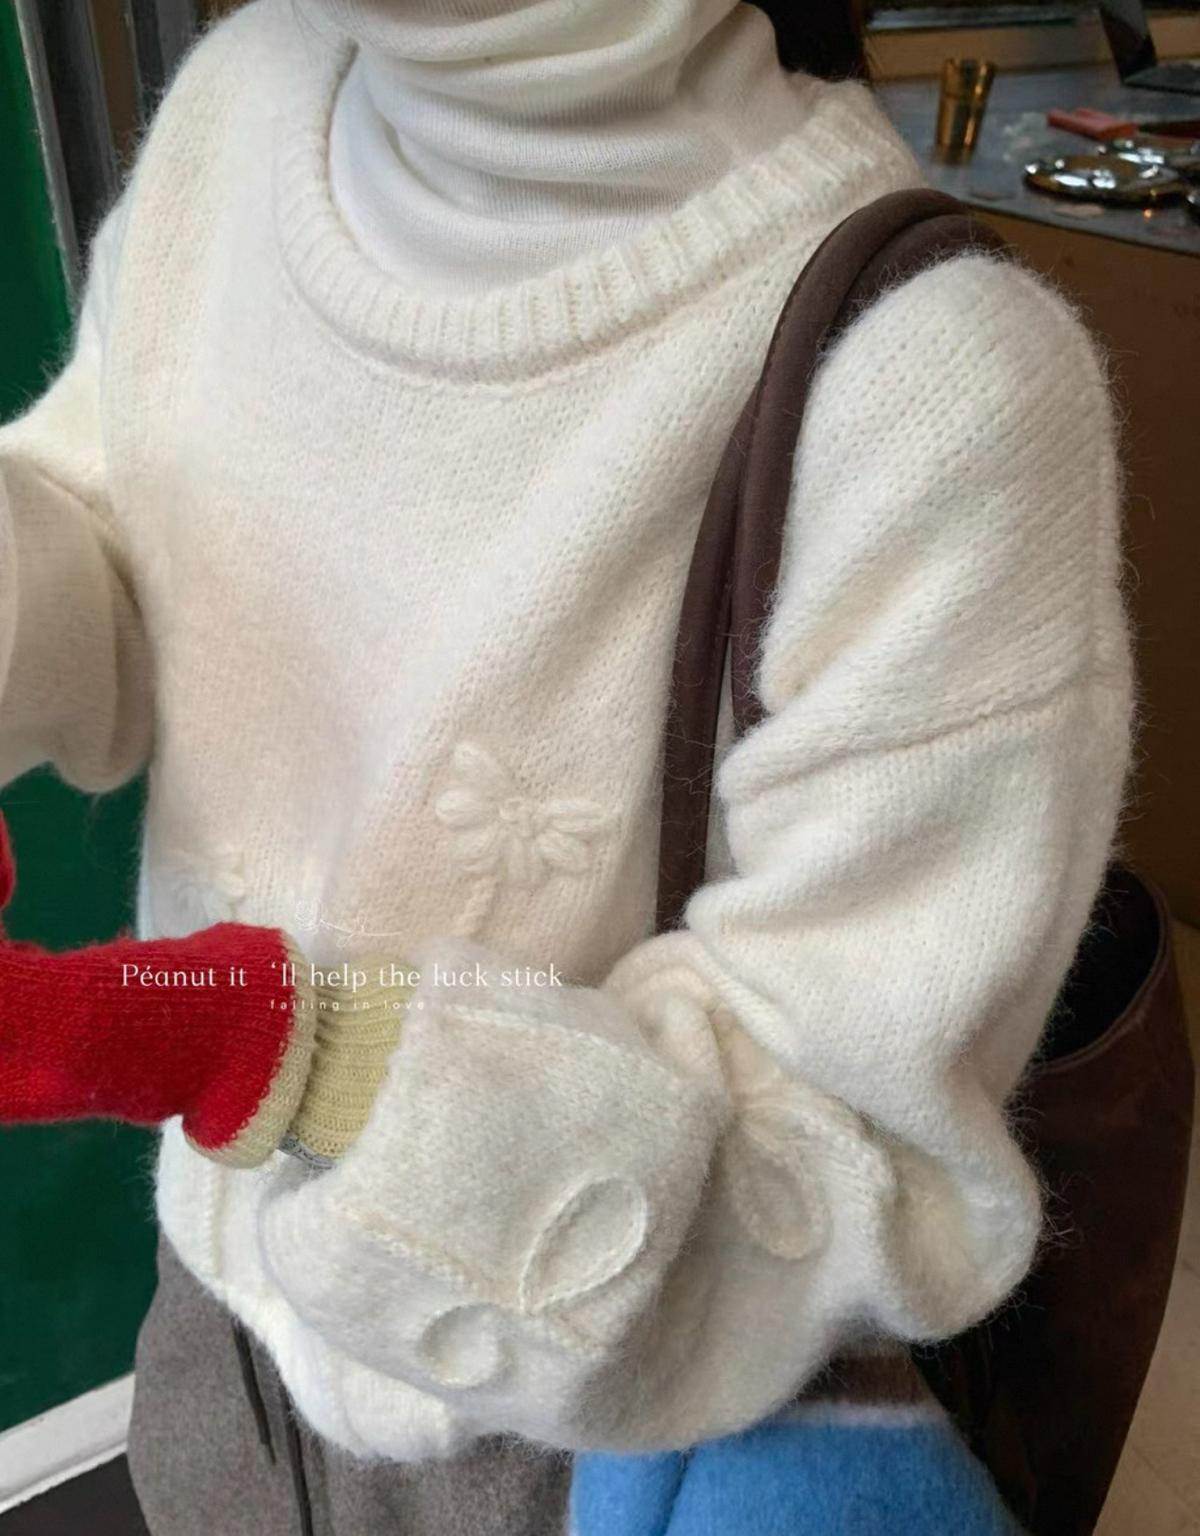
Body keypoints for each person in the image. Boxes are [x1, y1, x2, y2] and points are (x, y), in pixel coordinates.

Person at [0, 0, 1134, 1530]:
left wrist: (271, 1046)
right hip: (210, 1311)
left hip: (586, 1415)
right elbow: (125, 534)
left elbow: (851, 1151)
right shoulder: (240, 101)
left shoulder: (938, 383)